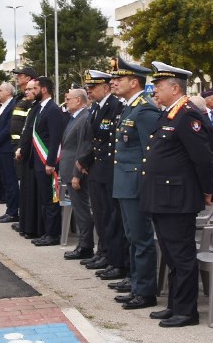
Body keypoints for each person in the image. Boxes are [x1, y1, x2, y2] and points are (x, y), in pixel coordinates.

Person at [141, 62, 213, 327]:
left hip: (177, 199)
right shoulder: (170, 114)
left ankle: (187, 312)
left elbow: (203, 158)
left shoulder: (187, 115)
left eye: (159, 86)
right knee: (171, 256)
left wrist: (207, 190)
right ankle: (174, 305)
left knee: (182, 256)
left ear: (174, 88)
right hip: (163, 197)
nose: (154, 91)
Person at [110, 56, 161, 310]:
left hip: (136, 183)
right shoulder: (130, 107)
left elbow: (151, 152)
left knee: (141, 239)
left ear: (134, 82)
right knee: (132, 237)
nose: (114, 83)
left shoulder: (145, 109)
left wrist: (145, 185)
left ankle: (146, 291)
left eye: (119, 79)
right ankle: (136, 283)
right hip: (124, 182)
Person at [76, 70, 129, 278]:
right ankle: (103, 252)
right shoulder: (96, 108)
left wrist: (85, 159)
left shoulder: (115, 106)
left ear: (105, 88)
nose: (89, 91)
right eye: (88, 87)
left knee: (109, 216)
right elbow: (94, 139)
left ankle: (111, 256)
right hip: (96, 168)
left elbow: (107, 141)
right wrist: (85, 161)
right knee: (99, 214)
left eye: (93, 87)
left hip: (108, 170)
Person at [27, 77, 67, 247]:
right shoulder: (41, 108)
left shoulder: (52, 109)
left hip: (47, 163)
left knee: (51, 200)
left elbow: (55, 138)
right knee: (44, 199)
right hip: (39, 161)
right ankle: (46, 232)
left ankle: (53, 235)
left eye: (35, 88)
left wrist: (50, 162)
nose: (32, 91)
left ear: (44, 89)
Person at [59, 88, 93, 259]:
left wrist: (76, 175)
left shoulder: (84, 118)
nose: (65, 102)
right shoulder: (75, 118)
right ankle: (83, 244)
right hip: (69, 172)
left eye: (68, 99)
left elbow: (82, 149)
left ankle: (85, 246)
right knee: (79, 210)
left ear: (78, 100)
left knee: (82, 211)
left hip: (76, 174)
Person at [0, 82, 20, 222]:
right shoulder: (3, 107)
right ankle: (9, 209)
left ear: (8, 92)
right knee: (5, 182)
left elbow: (9, 128)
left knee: (11, 181)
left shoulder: (13, 105)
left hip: (6, 149)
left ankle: (13, 212)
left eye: (0, 90)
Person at [14, 80, 40, 235]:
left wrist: (23, 148)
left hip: (33, 155)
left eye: (32, 89)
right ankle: (25, 224)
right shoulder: (31, 107)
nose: (27, 91)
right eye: (27, 89)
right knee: (25, 192)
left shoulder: (37, 107)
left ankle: (30, 226)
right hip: (25, 155)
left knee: (31, 194)